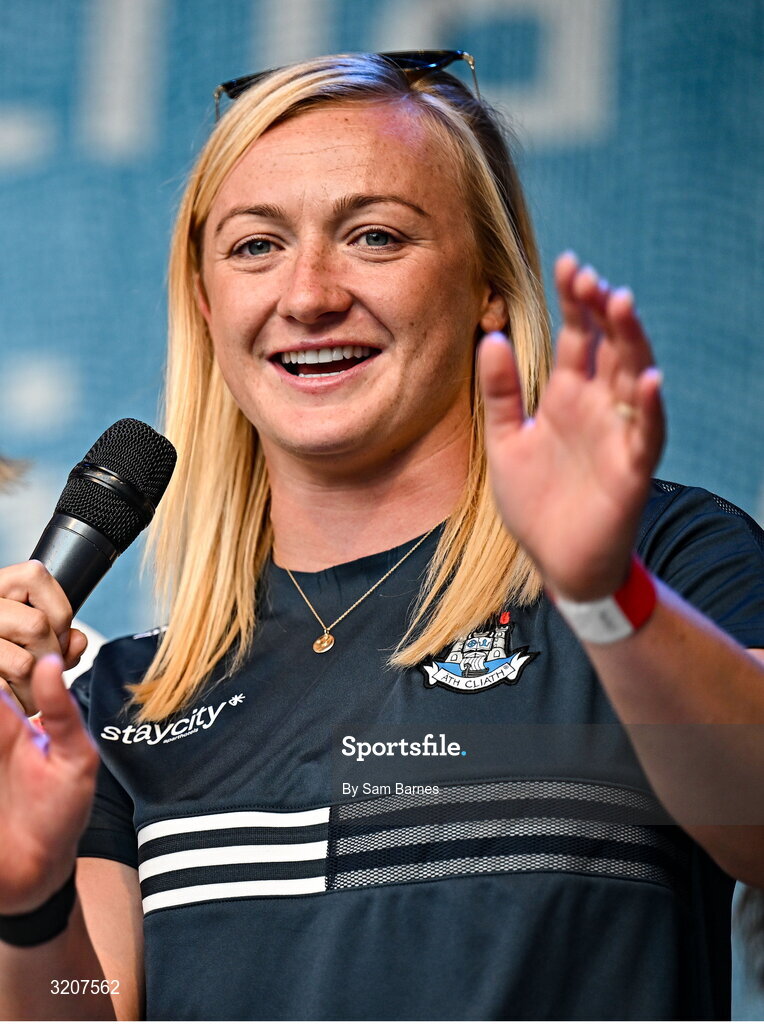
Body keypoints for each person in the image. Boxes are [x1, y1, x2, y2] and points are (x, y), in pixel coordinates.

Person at [1, 50, 763, 1021]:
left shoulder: (658, 563)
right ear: (205, 301)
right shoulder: (127, 699)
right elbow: (80, 999)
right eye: (253, 247)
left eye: (373, 236)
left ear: (488, 283)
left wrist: (607, 599)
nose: (309, 293)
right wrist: (28, 907)